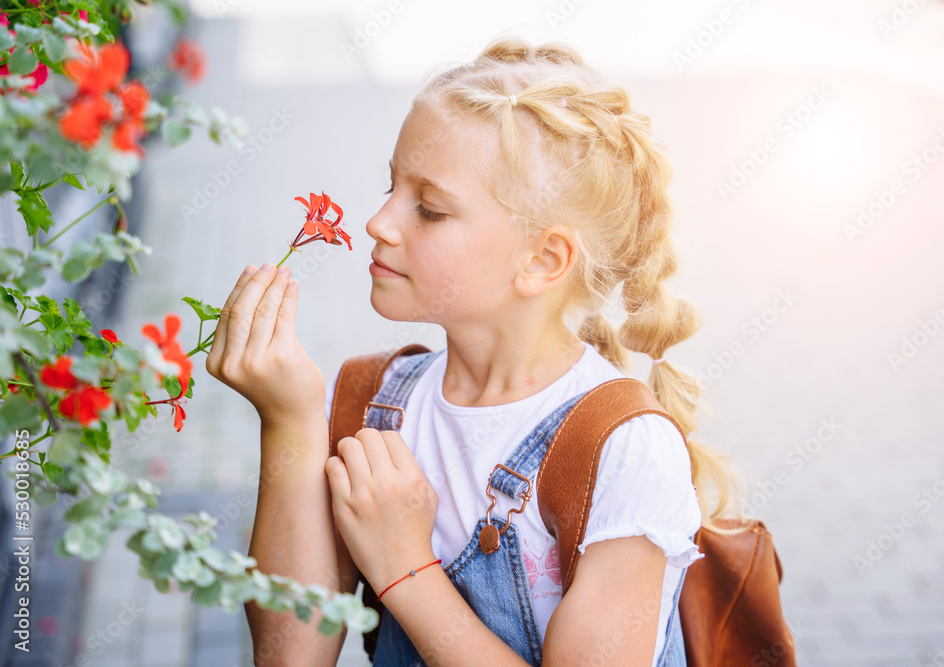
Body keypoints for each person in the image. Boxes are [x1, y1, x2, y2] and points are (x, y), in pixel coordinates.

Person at [206, 37, 742, 666]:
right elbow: (288, 656)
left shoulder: (622, 451)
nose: (379, 222)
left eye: (429, 210)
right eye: (391, 186)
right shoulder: (370, 402)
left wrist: (403, 565)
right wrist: (289, 421)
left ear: (543, 260)